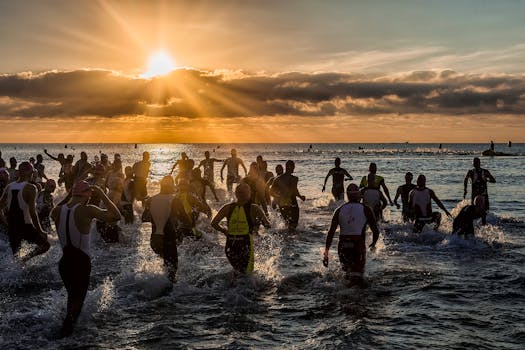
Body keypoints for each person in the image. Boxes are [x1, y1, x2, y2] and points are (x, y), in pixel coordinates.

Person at [50, 181, 120, 336]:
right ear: (87, 194)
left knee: (72, 298)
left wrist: (70, 196)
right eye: (90, 193)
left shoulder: (57, 210)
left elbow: (55, 211)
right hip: (80, 262)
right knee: (78, 302)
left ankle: (66, 331)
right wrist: (103, 195)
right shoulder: (88, 210)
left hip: (64, 263)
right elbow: (116, 216)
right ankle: (64, 336)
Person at [322, 183, 380, 284]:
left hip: (343, 244)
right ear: (358, 195)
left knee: (346, 276)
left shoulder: (339, 210)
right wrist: (373, 244)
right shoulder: (366, 209)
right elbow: (375, 231)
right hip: (357, 244)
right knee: (358, 278)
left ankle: (345, 296)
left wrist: (326, 254)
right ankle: (357, 297)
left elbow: (330, 233)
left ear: (347, 196)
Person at [211, 182, 270, 274]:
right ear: (248, 194)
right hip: (245, 244)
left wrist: (224, 231)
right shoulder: (254, 208)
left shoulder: (227, 207)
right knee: (247, 274)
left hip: (230, 244)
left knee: (237, 272)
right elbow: (267, 226)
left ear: (236, 194)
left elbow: (214, 223)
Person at [0, 161, 50, 261]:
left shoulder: (9, 186)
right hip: (25, 226)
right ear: (31, 174)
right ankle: (26, 259)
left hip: (12, 227)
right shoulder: (31, 188)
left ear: (19, 172)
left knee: (15, 257)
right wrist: (40, 230)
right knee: (45, 246)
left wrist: (6, 222)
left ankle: (15, 271)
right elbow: (33, 212)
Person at [147, 176, 191, 285]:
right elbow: (187, 221)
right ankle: (168, 291)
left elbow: (144, 217)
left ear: (161, 186)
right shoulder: (175, 200)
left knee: (166, 263)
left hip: (154, 241)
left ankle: (159, 284)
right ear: (171, 187)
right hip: (168, 239)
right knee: (172, 268)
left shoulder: (150, 199)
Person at [270, 160, 306, 232]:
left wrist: (278, 197)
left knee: (288, 224)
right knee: (293, 224)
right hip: (292, 202)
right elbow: (294, 191)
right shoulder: (294, 179)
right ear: (289, 167)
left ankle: (288, 240)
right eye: (293, 166)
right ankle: (291, 239)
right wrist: (300, 197)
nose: (294, 168)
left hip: (283, 203)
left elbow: (270, 192)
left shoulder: (278, 178)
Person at [463, 157, 496, 225]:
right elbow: (465, 180)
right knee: (475, 211)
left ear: (479, 163)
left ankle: (483, 226)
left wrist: (487, 180)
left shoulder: (485, 172)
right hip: (475, 196)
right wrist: (465, 190)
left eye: (476, 162)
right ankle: (476, 225)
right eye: (474, 162)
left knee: (485, 212)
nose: (475, 164)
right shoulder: (471, 172)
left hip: (483, 195)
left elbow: (493, 180)